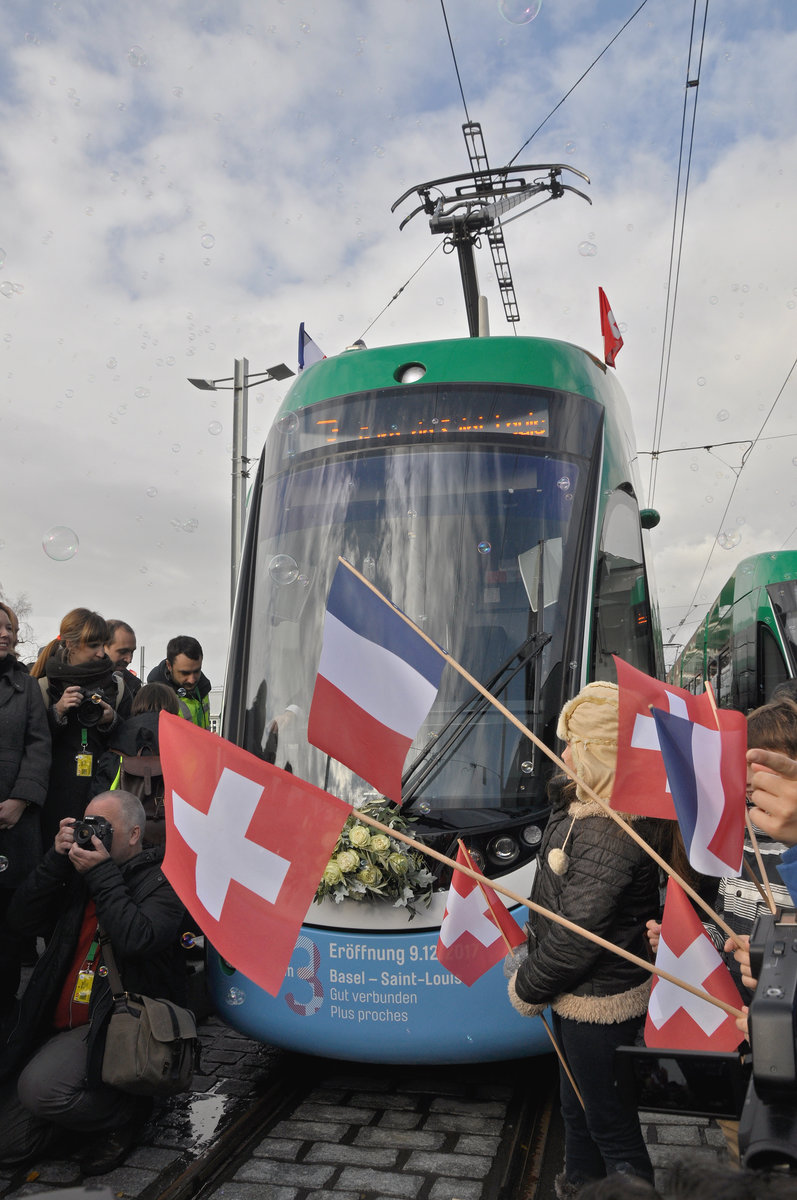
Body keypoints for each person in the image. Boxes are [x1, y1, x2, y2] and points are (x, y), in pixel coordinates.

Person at [507, 681, 658, 1197]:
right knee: (578, 1109)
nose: (563, 753)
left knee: (609, 1123)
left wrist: (527, 985)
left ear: (598, 755)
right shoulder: (581, 806)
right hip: (580, 999)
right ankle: (580, 1186)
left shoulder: (606, 830)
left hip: (600, 1003)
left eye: (575, 744)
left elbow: (576, 937)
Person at [0, 789, 187, 1176]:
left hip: (113, 1024)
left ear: (134, 834)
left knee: (40, 1090)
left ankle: (124, 1113)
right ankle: (79, 1110)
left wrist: (102, 874)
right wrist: (55, 859)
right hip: (55, 1020)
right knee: (10, 1145)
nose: (93, 834)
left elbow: (138, 938)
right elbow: (20, 921)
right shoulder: (73, 873)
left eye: (104, 827)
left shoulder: (163, 882)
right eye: (87, 825)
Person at [31, 609, 124, 843]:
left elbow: (130, 740)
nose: (102, 653)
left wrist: (111, 720)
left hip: (101, 793)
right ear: (71, 645)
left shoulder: (117, 686)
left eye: (104, 644)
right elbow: (29, 742)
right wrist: (57, 711)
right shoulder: (44, 685)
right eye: (93, 645)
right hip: (52, 797)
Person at [0, 601, 51, 1014]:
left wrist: (20, 799)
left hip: (13, 827)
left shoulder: (27, 686)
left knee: (9, 930)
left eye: (10, 628)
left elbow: (39, 745)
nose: (5, 634)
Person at [90, 682, 179, 845]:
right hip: (171, 836)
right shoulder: (183, 740)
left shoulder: (118, 737)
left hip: (124, 835)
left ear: (136, 704)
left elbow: (99, 792)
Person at [147, 635, 211, 728]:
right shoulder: (155, 698)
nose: (192, 680)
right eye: (185, 673)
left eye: (197, 671)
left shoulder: (202, 689)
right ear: (169, 665)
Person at [104, 619, 142, 716]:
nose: (129, 660)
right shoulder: (67, 680)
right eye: (122, 652)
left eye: (132, 652)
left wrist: (113, 720)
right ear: (102, 646)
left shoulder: (133, 687)